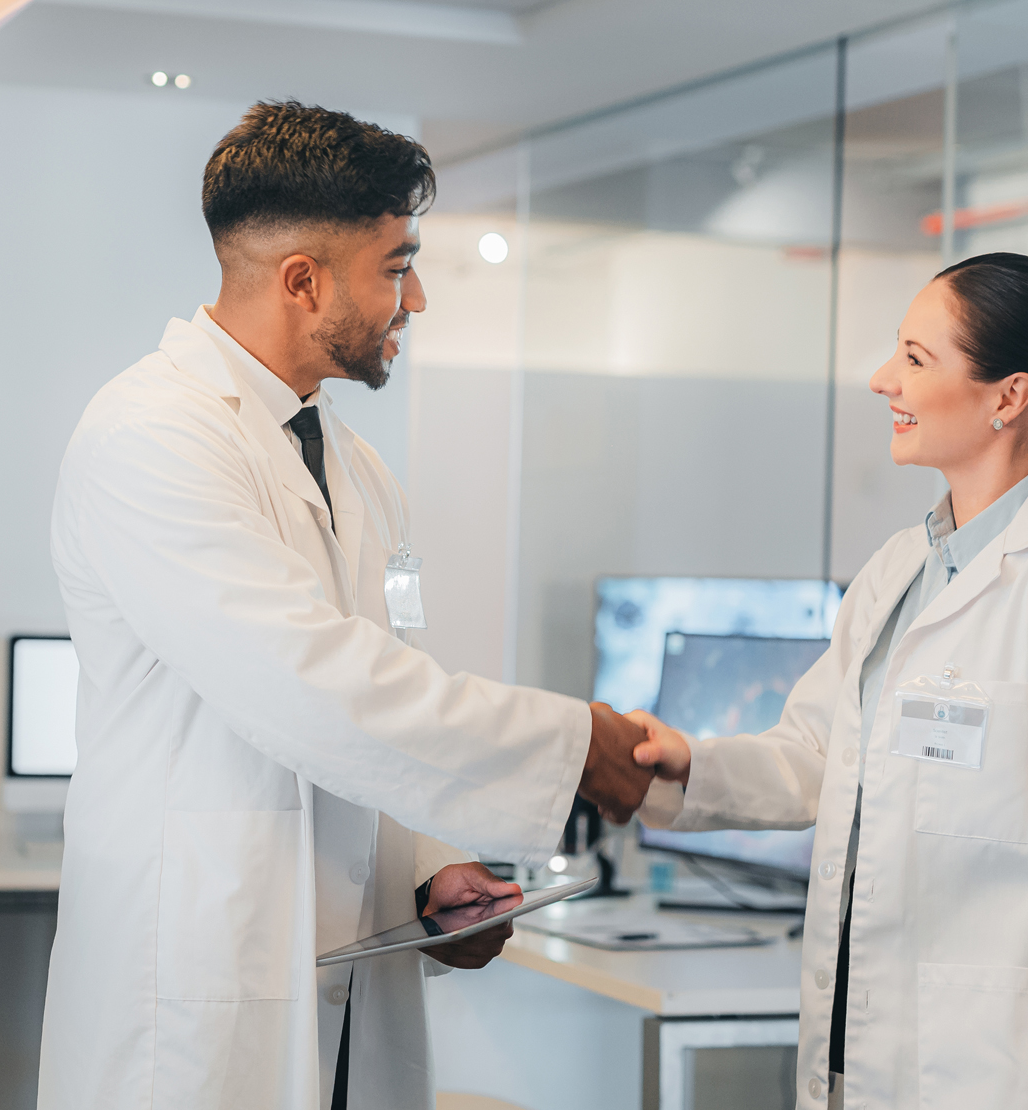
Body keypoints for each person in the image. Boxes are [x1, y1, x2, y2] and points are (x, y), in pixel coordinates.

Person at [38, 101, 653, 1110]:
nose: (415, 299)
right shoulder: (150, 435)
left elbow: (374, 700)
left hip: (341, 983)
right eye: (396, 265)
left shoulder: (351, 465)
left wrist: (430, 872)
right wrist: (568, 741)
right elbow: (311, 685)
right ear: (302, 280)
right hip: (199, 990)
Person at [629, 253, 1028, 1110]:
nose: (886, 380)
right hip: (857, 1057)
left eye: (917, 359)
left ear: (1009, 397)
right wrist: (685, 765)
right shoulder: (901, 567)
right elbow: (818, 755)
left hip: (994, 1073)